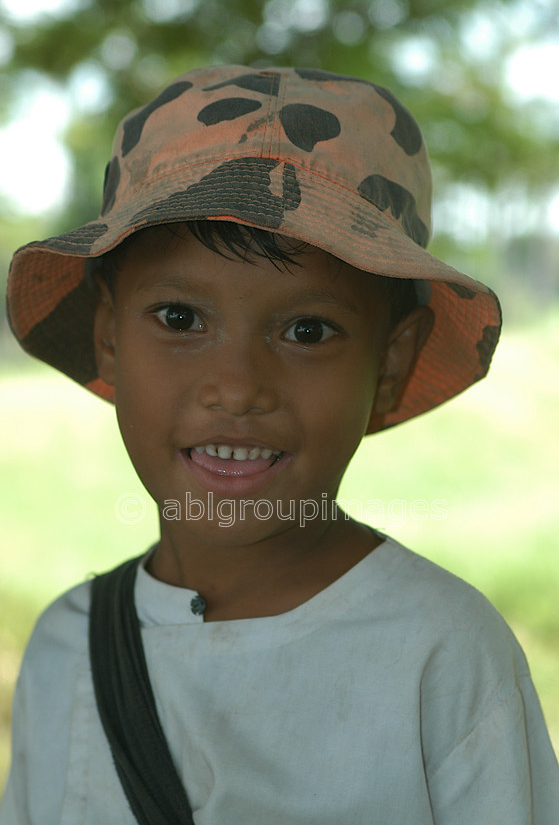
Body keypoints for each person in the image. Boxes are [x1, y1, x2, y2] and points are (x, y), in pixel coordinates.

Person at [2, 64, 558, 824]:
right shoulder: (66, 650)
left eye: (306, 331)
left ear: (389, 363)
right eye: (178, 319)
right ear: (107, 338)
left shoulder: (441, 653)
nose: (236, 387)